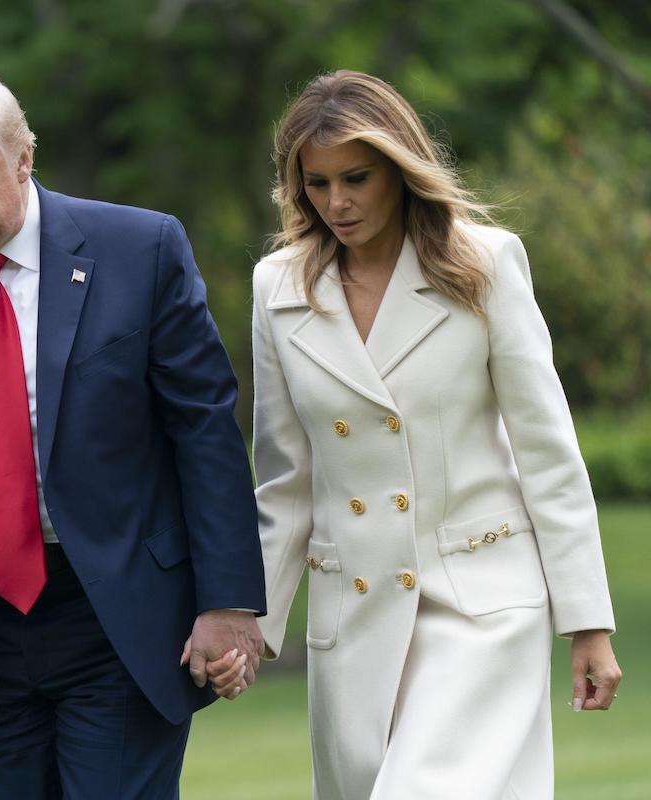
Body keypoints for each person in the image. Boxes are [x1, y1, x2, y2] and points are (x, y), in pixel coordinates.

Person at [0, 68, 265, 799]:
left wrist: (227, 601)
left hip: (120, 616)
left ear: (23, 157)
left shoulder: (142, 250)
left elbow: (204, 433)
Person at [220, 70, 622, 798]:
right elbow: (286, 480)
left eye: (357, 178)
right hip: (356, 618)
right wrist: (254, 622)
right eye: (315, 184)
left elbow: (548, 455)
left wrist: (587, 622)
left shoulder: (484, 264)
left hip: (480, 607)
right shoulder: (277, 288)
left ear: (400, 168)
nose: (336, 203)